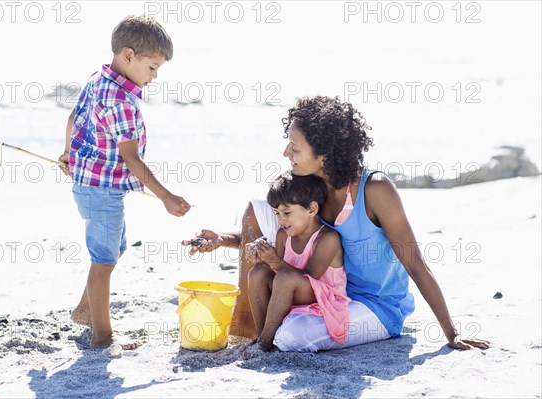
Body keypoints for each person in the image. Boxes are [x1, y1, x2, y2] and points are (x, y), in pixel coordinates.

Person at [184, 96, 490, 352]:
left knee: (290, 336)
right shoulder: (309, 182)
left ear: (324, 155)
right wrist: (221, 238)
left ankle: (272, 329)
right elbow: (285, 228)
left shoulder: (374, 190)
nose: (286, 153)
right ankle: (246, 324)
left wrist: (451, 333)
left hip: (371, 305)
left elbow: (415, 263)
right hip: (321, 288)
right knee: (256, 210)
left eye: (295, 147)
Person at [58, 15, 191, 351]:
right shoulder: (119, 100)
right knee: (103, 261)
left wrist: (67, 150)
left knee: (113, 249)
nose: (155, 76)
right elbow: (131, 158)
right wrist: (165, 196)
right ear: (129, 56)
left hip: (96, 186)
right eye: (153, 67)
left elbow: (75, 116)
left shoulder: (99, 78)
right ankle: (102, 336)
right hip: (101, 190)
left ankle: (87, 311)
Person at [247, 172, 350, 352]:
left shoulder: (327, 238)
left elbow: (310, 276)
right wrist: (261, 255)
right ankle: (262, 335)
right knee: (258, 272)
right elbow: (276, 271)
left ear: (311, 209)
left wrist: (275, 261)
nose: (281, 220)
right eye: (277, 213)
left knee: (285, 277)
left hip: (324, 295)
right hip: (292, 287)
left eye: (286, 213)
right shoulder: (283, 235)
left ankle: (265, 342)